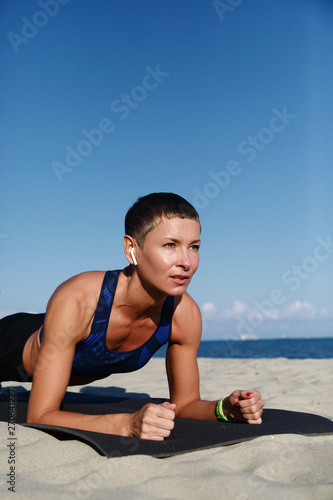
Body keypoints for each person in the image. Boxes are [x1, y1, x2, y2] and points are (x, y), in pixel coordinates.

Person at [0, 193, 264, 440]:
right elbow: (40, 415)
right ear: (131, 249)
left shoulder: (185, 315)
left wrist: (224, 409)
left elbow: (185, 404)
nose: (186, 262)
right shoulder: (78, 299)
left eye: (193, 246)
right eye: (170, 245)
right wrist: (126, 424)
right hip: (10, 342)